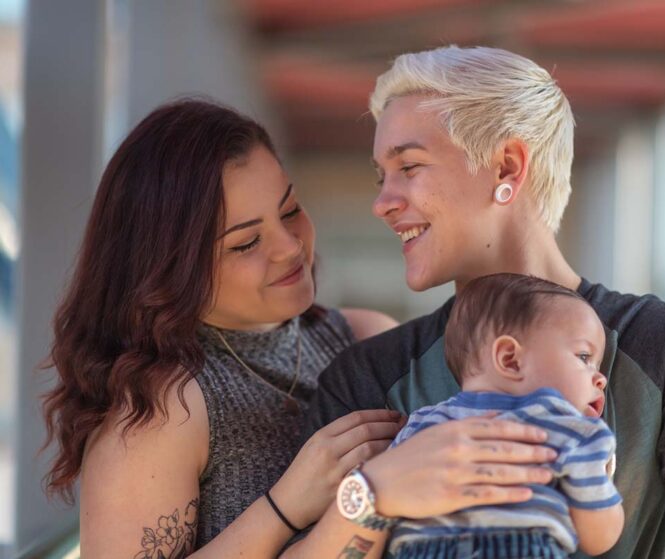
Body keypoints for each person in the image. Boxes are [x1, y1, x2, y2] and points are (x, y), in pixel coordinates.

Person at [42, 98, 556, 559]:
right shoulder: (160, 408)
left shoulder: (363, 335)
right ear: (168, 267)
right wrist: (285, 505)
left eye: (290, 209)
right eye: (246, 243)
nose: (289, 246)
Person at [305, 46, 665, 558]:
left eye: (408, 167)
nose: (382, 202)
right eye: (380, 176)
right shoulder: (368, 377)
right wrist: (371, 494)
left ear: (506, 167)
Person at [386, 273, 624, 559]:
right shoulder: (568, 429)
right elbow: (599, 538)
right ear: (510, 359)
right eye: (584, 357)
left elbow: (387, 503)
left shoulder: (422, 424)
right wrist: (597, 473)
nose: (600, 378)